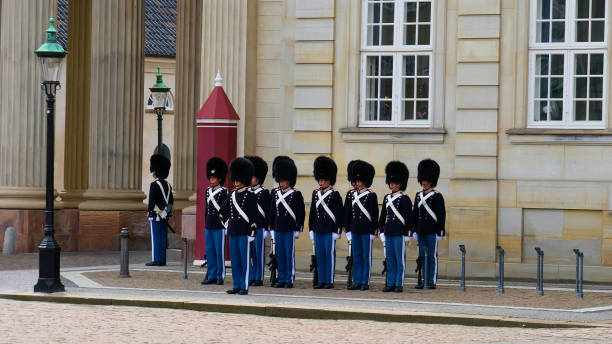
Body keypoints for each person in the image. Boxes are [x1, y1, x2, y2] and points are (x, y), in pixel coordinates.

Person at [221, 158, 258, 295]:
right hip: (233, 231)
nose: (236, 182)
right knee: (235, 261)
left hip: (244, 232)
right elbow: (223, 211)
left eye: (238, 180)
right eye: (235, 180)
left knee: (244, 261)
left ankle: (244, 285)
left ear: (243, 179)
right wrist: (224, 222)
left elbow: (254, 217)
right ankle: (236, 284)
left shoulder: (250, 195)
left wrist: (252, 234)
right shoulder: (231, 195)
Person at [268, 157, 305, 288]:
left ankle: (289, 278)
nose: (281, 182)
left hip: (289, 228)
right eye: (280, 180)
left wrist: (298, 228)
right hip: (278, 227)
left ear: (289, 180)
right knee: (280, 255)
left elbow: (301, 213)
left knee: (289, 255)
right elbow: (272, 211)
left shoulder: (295, 194)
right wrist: (271, 227)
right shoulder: (275, 193)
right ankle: (282, 277)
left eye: (284, 180)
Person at [309, 156, 344, 289]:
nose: (321, 181)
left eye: (323, 179)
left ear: (329, 180)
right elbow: (312, 212)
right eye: (320, 179)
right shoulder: (315, 194)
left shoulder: (335, 195)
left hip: (329, 230)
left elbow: (339, 215)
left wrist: (337, 231)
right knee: (320, 256)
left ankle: (329, 281)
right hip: (318, 229)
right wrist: (311, 228)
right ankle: (321, 280)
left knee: (329, 256)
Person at [344, 160, 378, 291]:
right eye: (356, 180)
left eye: (360, 180)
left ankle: (365, 281)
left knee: (365, 257)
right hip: (355, 229)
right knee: (356, 256)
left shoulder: (371, 195)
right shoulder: (351, 195)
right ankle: (357, 280)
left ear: (365, 181)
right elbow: (347, 212)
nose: (357, 183)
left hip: (366, 230)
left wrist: (373, 231)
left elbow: (374, 215)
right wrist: (347, 229)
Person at [412, 159, 446, 289]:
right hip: (420, 230)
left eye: (426, 181)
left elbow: (441, 215)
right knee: (422, 256)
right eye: (423, 180)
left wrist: (440, 230)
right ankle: (424, 279)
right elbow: (415, 213)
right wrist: (413, 229)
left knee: (431, 256)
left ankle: (431, 280)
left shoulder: (437, 196)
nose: (424, 183)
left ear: (431, 181)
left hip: (432, 230)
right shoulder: (418, 196)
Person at [379, 161, 412, 292]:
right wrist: (381, 230)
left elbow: (409, 218)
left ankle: (399, 283)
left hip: (399, 233)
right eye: (391, 183)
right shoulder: (387, 198)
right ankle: (390, 283)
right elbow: (383, 217)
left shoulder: (405, 199)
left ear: (400, 183)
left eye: (394, 183)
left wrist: (407, 234)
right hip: (389, 232)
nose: (392, 185)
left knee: (400, 260)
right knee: (390, 260)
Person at [201, 157, 228, 285]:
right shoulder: (207, 191)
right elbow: (207, 209)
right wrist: (206, 223)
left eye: (213, 178)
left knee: (219, 252)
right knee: (210, 251)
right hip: (209, 225)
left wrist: (225, 225)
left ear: (219, 178)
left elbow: (226, 211)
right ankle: (211, 275)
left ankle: (220, 275)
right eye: (210, 178)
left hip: (219, 225)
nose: (211, 180)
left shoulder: (224, 192)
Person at [245, 155, 270, 287]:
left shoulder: (264, 192)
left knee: (258, 253)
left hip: (260, 227)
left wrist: (266, 228)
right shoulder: (247, 192)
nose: (251, 179)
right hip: (248, 227)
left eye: (253, 177)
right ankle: (251, 275)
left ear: (258, 178)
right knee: (249, 253)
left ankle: (258, 277)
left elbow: (267, 211)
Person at [146, 154, 174, 266]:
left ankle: (156, 259)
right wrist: (166, 213)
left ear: (156, 171)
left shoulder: (154, 185)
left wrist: (154, 213)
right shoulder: (168, 185)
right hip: (164, 215)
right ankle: (162, 259)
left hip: (156, 215)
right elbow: (171, 201)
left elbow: (152, 203)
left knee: (156, 237)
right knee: (162, 237)